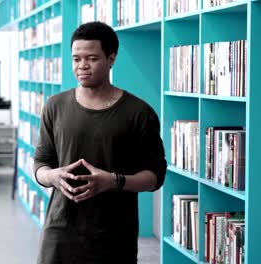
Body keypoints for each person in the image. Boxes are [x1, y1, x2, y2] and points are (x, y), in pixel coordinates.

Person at [34, 21, 167, 264]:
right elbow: (41, 165)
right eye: (76, 59)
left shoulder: (139, 113)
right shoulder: (54, 106)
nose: (82, 66)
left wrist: (114, 181)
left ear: (111, 59)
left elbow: (155, 177)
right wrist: (52, 176)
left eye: (91, 58)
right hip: (60, 233)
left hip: (114, 238)